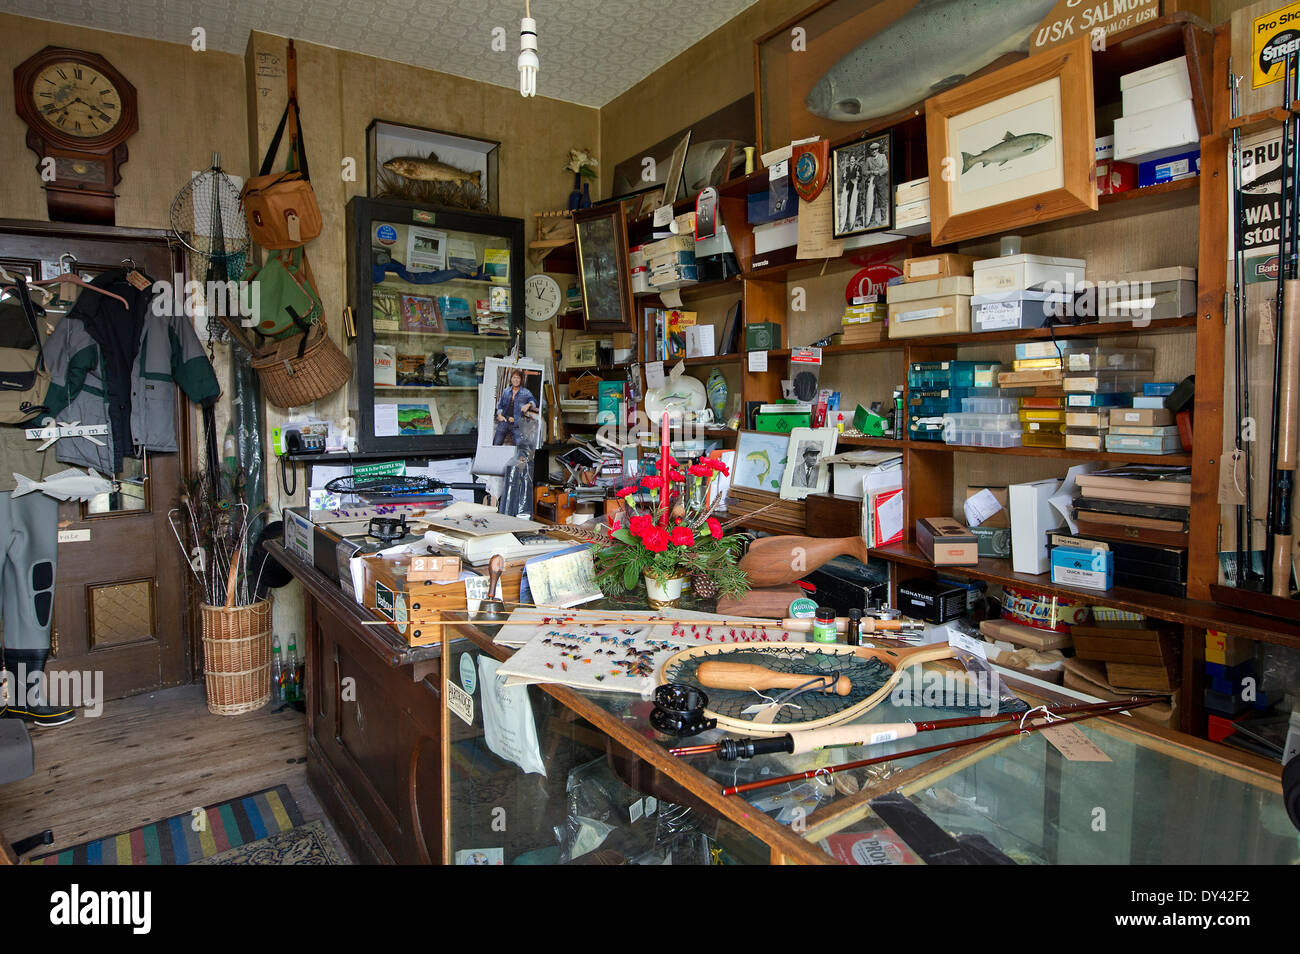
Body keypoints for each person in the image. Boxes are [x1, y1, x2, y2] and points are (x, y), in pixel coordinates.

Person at [493, 369, 537, 446]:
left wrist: (529, 404)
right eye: (514, 377)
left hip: (517, 424)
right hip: (504, 421)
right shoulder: (506, 391)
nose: (516, 380)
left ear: (521, 380)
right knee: (495, 444)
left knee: (520, 448)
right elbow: (500, 405)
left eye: (518, 378)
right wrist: (499, 415)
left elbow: (535, 401)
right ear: (511, 379)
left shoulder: (526, 392)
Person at [865, 141, 889, 227]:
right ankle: (872, 220)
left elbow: (886, 168)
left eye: (875, 149)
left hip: (881, 180)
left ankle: (883, 219)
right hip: (872, 182)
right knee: (872, 200)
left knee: (882, 200)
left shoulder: (883, 157)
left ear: (878, 149)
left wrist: (878, 172)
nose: (874, 151)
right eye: (872, 150)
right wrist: (871, 172)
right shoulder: (868, 159)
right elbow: (864, 171)